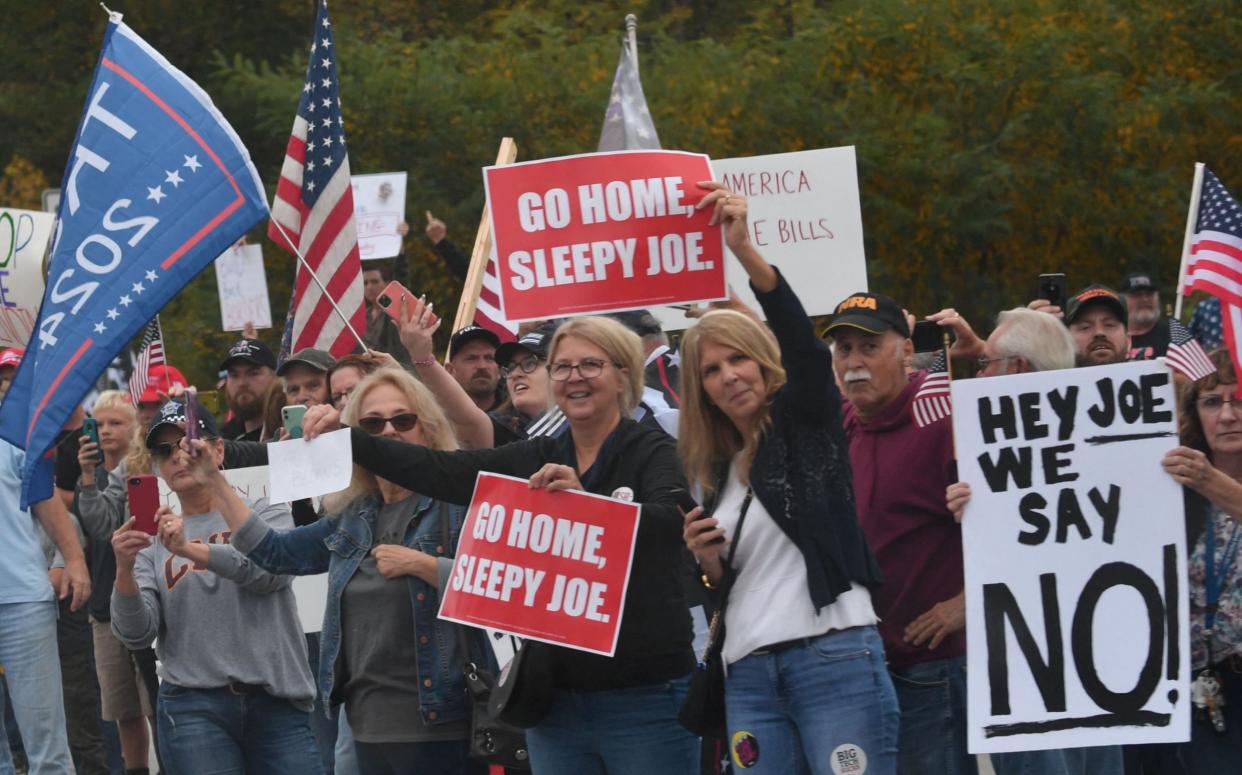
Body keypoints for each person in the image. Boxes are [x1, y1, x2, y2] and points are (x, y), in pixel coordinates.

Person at [302, 315, 698, 774]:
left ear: (623, 374)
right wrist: (350, 437)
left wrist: (589, 504)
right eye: (563, 367)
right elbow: (440, 471)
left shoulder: (651, 448)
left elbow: (673, 521)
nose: (575, 377)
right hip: (555, 702)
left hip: (644, 695)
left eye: (591, 364)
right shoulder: (540, 453)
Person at [679, 183, 896, 773]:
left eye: (739, 359)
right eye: (713, 370)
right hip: (747, 674)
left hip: (833, 657)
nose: (729, 377)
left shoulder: (807, 421)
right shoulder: (714, 472)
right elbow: (726, 587)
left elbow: (802, 346)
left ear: (762, 360)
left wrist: (744, 251)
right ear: (701, 390)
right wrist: (707, 561)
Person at [214, 368, 489, 775]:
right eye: (373, 424)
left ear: (428, 430)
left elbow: (497, 589)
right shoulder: (355, 514)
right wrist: (215, 483)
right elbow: (276, 553)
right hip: (364, 726)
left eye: (404, 420)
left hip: (443, 725)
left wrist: (425, 566)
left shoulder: (459, 503)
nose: (389, 432)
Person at [946, 311, 1124, 775]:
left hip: (1069, 664)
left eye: (984, 362)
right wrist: (972, 510)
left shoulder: (1114, 443)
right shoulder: (981, 448)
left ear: (1018, 369)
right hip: (1055, 662)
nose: (978, 373)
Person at [110, 397, 321, 774]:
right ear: (156, 466)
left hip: (275, 699)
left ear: (218, 450)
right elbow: (136, 634)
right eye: (163, 450)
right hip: (193, 706)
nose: (177, 456)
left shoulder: (265, 509)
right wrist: (124, 570)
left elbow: (270, 573)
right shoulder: (152, 536)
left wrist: (190, 549)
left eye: (189, 443)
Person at [826, 291, 973, 774]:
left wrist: (965, 603)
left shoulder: (944, 420)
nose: (854, 363)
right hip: (862, 666)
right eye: (843, 349)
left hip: (930, 669)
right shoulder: (846, 421)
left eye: (870, 347)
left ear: (907, 351)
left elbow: (1016, 523)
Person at [1156, 348, 1242, 770]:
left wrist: (1213, 482)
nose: (1227, 415)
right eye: (1212, 401)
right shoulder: (1171, 489)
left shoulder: (1204, 481)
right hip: (1192, 690)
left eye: (1238, 399)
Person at [75, 391, 157, 775]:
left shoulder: (145, 468)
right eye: (99, 423)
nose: (105, 431)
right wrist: (89, 477)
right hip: (105, 606)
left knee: (157, 700)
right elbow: (98, 525)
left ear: (135, 427)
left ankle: (169, 764)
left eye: (115, 423)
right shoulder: (93, 474)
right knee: (123, 707)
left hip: (148, 599)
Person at [0, 425, 90, 772]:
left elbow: (45, 497)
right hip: (25, 600)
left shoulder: (12, 434)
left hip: (23, 601)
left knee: (47, 749)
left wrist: (75, 559)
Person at [219, 338, 278, 441]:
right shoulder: (222, 439)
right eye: (234, 375)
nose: (242, 383)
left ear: (275, 378)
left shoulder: (292, 434)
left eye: (253, 373)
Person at [362, 263, 413, 367]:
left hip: (398, 371)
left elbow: (403, 279)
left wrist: (401, 257)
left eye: (375, 282)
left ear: (388, 283)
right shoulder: (361, 317)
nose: (370, 287)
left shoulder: (396, 313)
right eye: (365, 283)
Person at [446, 326, 503, 412]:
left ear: (500, 370)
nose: (482, 366)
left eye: (489, 358)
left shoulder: (522, 420)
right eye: (471, 358)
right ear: (450, 371)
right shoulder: (430, 416)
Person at [1120, 273, 1168, 360]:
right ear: (1122, 300)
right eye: (1136, 295)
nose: (1145, 299)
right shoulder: (1114, 336)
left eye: (1150, 294)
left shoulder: (1174, 334)